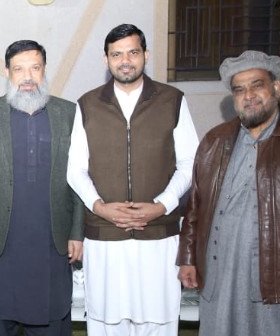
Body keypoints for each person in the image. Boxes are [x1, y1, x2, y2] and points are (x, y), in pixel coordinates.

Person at [177, 50, 280, 336]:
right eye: (239, 89)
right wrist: (188, 258)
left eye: (257, 85)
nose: (249, 95)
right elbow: (196, 206)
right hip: (220, 276)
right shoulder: (215, 141)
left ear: (276, 88)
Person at [66, 23, 199, 335]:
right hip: (105, 236)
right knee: (105, 321)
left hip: (158, 235)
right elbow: (75, 169)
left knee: (158, 320)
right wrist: (100, 207)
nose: (125, 61)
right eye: (117, 54)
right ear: (106, 59)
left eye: (133, 52)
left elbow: (190, 162)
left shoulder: (172, 100)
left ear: (145, 55)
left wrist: (161, 205)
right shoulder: (88, 104)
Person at [0, 40, 84, 335]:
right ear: (7, 72)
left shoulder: (69, 113)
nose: (27, 77)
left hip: (51, 243)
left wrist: (77, 232)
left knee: (51, 317)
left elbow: (81, 178)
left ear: (44, 70)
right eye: (19, 69)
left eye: (35, 68)